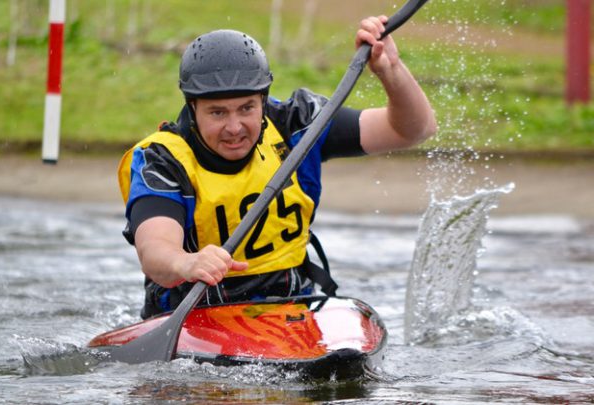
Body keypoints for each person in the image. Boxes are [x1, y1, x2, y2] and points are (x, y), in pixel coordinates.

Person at [118, 15, 437, 319]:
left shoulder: (298, 124)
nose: (234, 127)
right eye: (217, 113)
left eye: (246, 108)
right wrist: (186, 263)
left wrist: (390, 69)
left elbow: (413, 130)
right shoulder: (163, 160)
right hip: (195, 315)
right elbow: (155, 250)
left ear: (263, 100)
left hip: (291, 308)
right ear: (193, 107)